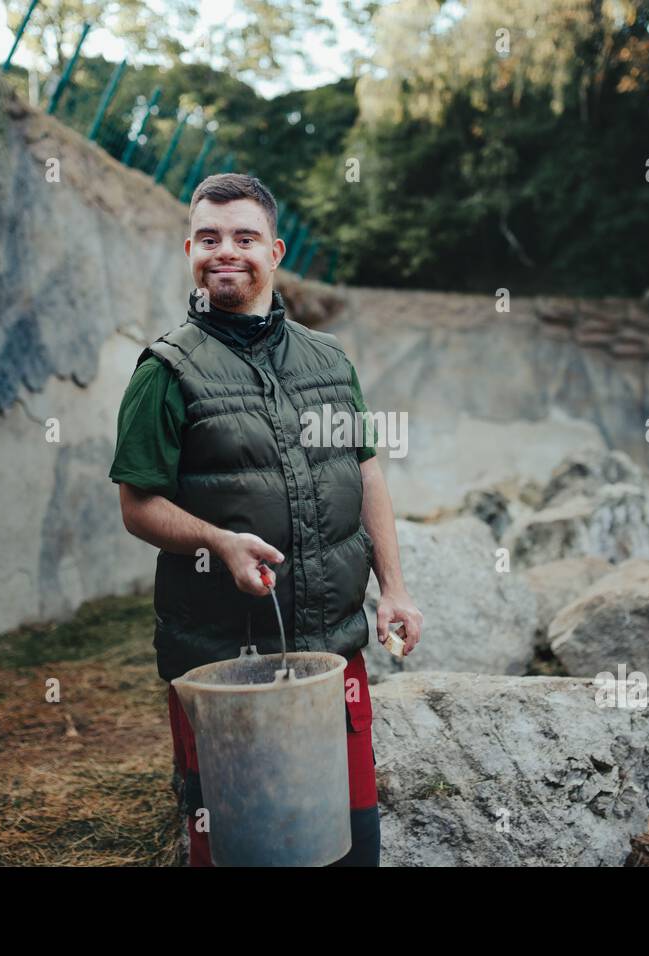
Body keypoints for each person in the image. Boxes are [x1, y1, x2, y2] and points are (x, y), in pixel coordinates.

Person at [109, 173, 424, 866]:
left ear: (274, 252)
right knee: (238, 848)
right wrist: (217, 541)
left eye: (245, 237)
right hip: (220, 666)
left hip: (333, 653)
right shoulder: (164, 371)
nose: (228, 252)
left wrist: (393, 587)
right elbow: (138, 505)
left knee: (350, 844)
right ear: (190, 250)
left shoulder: (329, 361)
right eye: (211, 238)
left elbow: (364, 471)